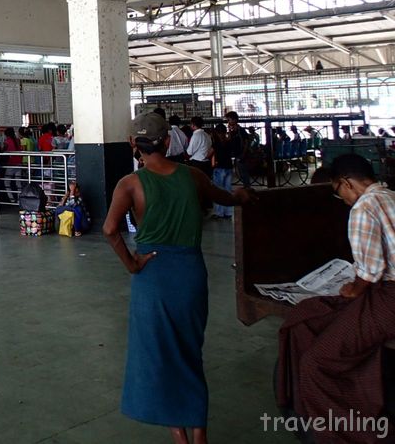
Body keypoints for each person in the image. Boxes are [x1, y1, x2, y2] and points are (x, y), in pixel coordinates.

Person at [102, 111, 253, 444]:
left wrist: (131, 264)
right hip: (190, 273)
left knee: (160, 353)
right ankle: (199, 432)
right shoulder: (192, 176)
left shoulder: (130, 184)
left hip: (152, 276)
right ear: (168, 142)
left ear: (132, 144)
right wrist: (241, 196)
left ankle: (180, 437)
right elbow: (226, 198)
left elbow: (110, 229)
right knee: (189, 351)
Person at [276, 154, 395, 443]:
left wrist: (351, 289)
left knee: (316, 363)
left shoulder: (363, 207)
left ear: (346, 183)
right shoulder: (390, 195)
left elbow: (369, 273)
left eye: (337, 191)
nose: (340, 198)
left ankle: (348, 435)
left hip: (389, 298)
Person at [209, 123, 235, 219]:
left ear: (216, 132)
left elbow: (209, 154)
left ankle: (219, 213)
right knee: (228, 190)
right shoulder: (229, 142)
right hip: (228, 167)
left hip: (219, 168)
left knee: (218, 190)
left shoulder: (216, 144)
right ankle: (228, 213)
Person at [224, 111, 253, 187]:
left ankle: (247, 188)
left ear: (234, 120)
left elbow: (246, 142)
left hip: (241, 154)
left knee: (243, 172)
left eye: (229, 120)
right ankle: (246, 187)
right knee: (240, 172)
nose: (228, 122)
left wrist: (243, 153)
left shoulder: (241, 130)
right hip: (237, 154)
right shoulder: (233, 131)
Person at [2, 127, 22, 202]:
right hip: (19, 163)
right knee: (18, 183)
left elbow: (3, 150)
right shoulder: (18, 140)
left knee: (6, 182)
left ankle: (12, 199)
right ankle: (19, 199)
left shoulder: (6, 141)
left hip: (11, 164)